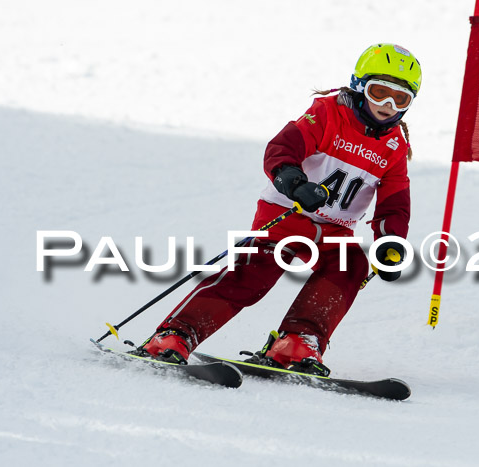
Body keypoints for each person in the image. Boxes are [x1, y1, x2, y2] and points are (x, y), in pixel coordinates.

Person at [135, 43, 422, 376]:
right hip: (287, 214)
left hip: (334, 230)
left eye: (400, 99)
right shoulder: (328, 113)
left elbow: (395, 202)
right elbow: (283, 148)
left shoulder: (395, 146)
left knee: (350, 264)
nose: (387, 106)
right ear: (359, 86)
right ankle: (175, 335)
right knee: (255, 270)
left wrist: (390, 242)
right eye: (379, 92)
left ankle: (298, 342)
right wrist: (295, 182)